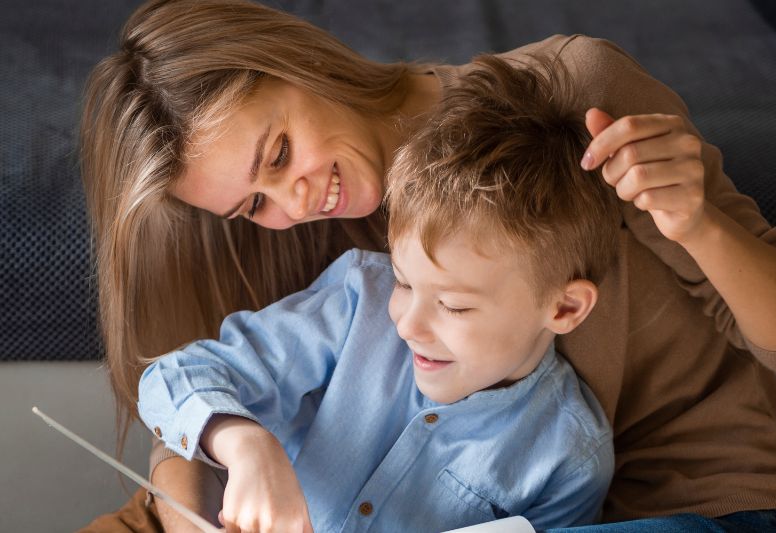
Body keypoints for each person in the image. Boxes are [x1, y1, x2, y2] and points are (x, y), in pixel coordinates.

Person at [79, 0, 776, 531]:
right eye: (251, 204)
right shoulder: (302, 238)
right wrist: (198, 506)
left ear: (302, 65)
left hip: (699, 500)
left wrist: (698, 222)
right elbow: (201, 390)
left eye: (279, 153)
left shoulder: (568, 99)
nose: (294, 201)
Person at [137, 56, 617, 532]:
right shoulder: (360, 301)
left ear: (565, 307)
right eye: (404, 282)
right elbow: (173, 377)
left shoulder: (570, 460)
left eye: (452, 305)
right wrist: (246, 445)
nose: (407, 324)